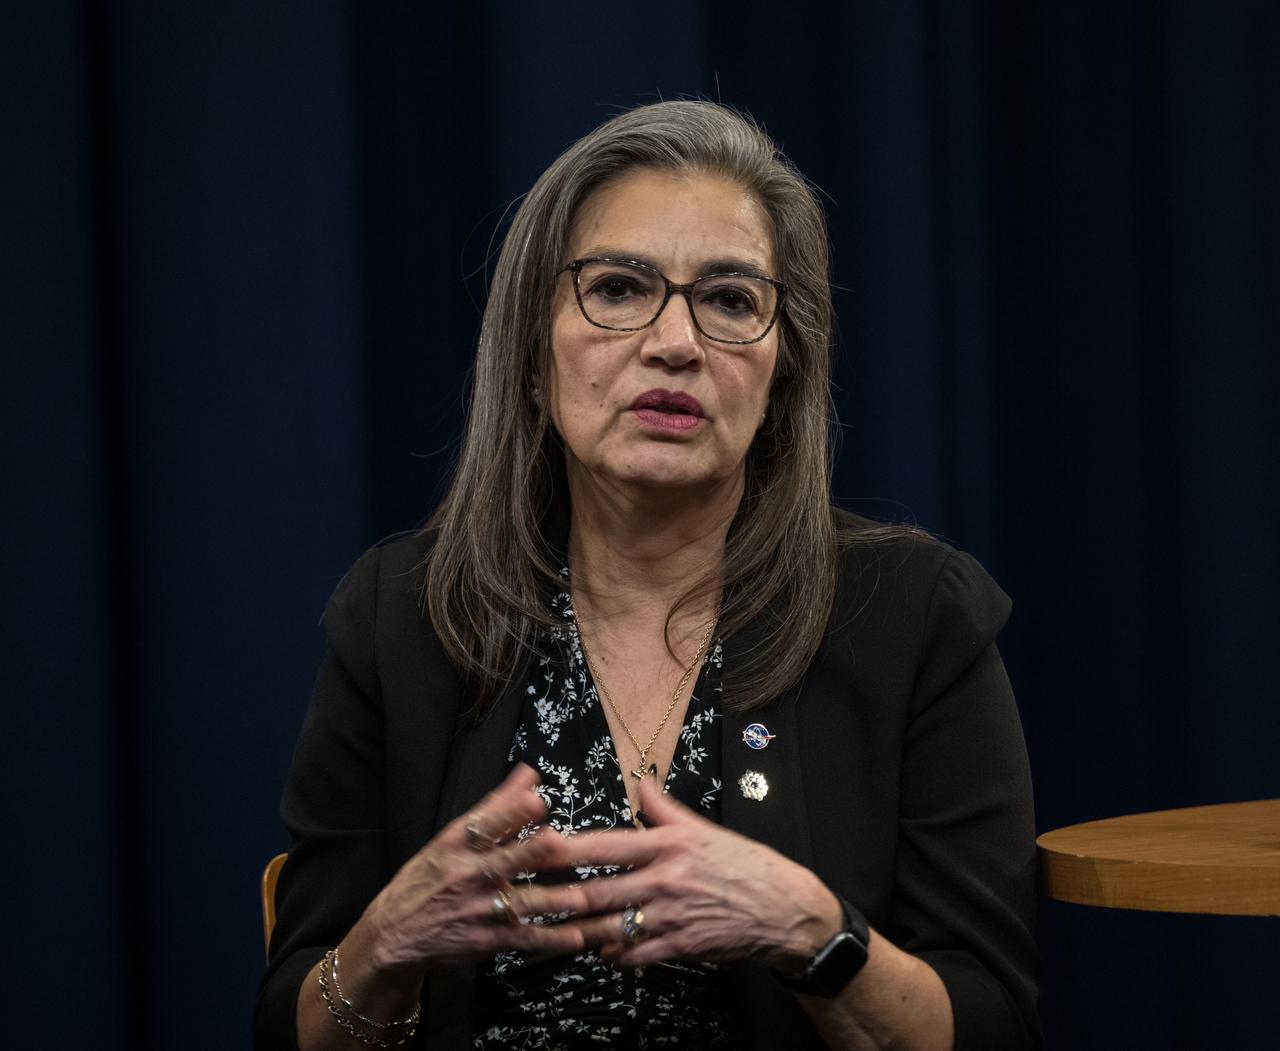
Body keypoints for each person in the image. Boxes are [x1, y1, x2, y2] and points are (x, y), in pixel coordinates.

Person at [254, 100, 1040, 1051]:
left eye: (730, 300)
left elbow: (995, 1022)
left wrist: (813, 931)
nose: (675, 342)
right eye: (619, 288)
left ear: (782, 375)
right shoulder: (405, 615)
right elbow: (292, 1025)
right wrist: (386, 944)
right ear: (533, 359)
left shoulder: (913, 616)